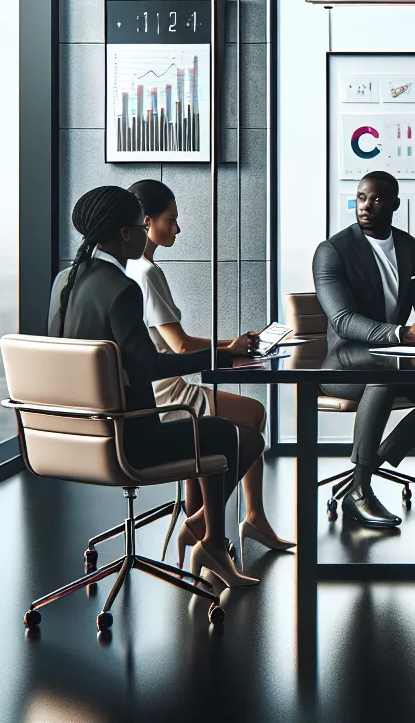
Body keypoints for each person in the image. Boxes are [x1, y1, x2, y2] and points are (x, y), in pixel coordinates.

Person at [47, 186, 263, 590]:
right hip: (130, 435)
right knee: (238, 437)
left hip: (73, 434)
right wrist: (220, 356)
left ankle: (208, 539)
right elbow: (152, 365)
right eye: (138, 230)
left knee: (222, 433)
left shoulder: (65, 281)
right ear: (127, 233)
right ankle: (210, 543)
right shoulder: (122, 288)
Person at [126, 179, 293, 554]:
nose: (178, 228)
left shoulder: (128, 269)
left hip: (148, 389)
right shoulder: (147, 272)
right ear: (147, 221)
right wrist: (229, 347)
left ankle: (214, 519)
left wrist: (230, 346)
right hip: (167, 394)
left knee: (223, 430)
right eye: (171, 220)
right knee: (254, 413)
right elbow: (180, 344)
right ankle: (227, 519)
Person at [312, 171, 415, 529]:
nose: (365, 206)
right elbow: (344, 321)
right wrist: (404, 334)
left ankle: (369, 466)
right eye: (361, 198)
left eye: (376, 199)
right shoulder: (332, 252)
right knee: (384, 372)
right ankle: (360, 493)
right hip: (343, 363)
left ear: (394, 204)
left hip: (396, 360)